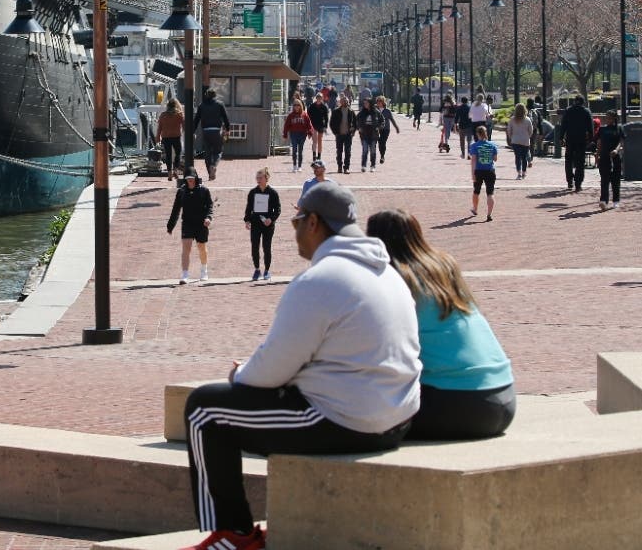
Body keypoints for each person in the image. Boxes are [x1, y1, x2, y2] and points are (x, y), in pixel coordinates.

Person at [181, 183, 420, 550]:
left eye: (295, 222)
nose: (293, 231)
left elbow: (271, 369)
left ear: (313, 223)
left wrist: (239, 374)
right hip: (397, 417)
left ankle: (232, 535)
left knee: (205, 409)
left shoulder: (321, 280)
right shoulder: (388, 274)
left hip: (346, 419)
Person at [366, 209, 515, 440]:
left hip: (455, 402)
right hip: (503, 394)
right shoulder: (443, 267)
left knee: (352, 416)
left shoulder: (396, 279)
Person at [167, 167, 215, 285]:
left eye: (192, 179)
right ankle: (185, 274)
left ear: (196, 178)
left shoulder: (204, 190)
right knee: (186, 248)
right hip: (187, 223)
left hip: (201, 223)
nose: (190, 181)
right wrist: (171, 225)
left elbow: (210, 206)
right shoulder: (182, 191)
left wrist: (208, 218)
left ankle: (204, 271)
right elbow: (176, 209)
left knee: (201, 247)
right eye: (188, 179)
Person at [244, 167, 281, 281]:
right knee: (255, 246)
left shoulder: (273, 193)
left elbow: (278, 209)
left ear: (266, 178)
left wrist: (271, 219)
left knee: (266, 247)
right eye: (257, 178)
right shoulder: (253, 192)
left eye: (260, 178)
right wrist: (247, 220)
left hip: (268, 225)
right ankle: (257, 269)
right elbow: (249, 208)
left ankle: (267, 271)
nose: (258, 180)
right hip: (255, 223)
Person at [195, 88, 231, 181]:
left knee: (207, 153)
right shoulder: (220, 104)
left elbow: (196, 120)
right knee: (218, 151)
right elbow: (226, 118)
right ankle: (214, 166)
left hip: (206, 131)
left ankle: (210, 174)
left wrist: (192, 131)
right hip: (216, 131)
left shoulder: (201, 106)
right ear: (215, 95)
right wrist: (227, 129)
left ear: (206, 95)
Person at [560, 95, 593, 192]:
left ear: (574, 101)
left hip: (570, 138)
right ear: (583, 102)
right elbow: (590, 127)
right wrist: (590, 139)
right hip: (581, 139)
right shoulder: (586, 111)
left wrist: (561, 137)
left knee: (568, 160)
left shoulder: (568, 110)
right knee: (580, 162)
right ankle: (578, 183)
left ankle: (570, 181)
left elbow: (563, 125)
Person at [596, 110, 625, 210]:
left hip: (615, 157)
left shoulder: (619, 128)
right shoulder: (602, 129)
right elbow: (599, 143)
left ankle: (616, 201)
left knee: (615, 180)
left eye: (609, 117)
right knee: (604, 180)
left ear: (614, 118)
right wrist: (597, 155)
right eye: (606, 117)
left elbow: (621, 142)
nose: (607, 119)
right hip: (604, 157)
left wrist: (616, 150)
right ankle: (603, 200)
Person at [468, 125, 498, 221]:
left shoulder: (474, 146)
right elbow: (495, 159)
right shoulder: (493, 145)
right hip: (490, 170)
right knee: (490, 193)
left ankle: (475, 208)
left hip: (479, 171)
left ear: (477, 134)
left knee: (476, 191)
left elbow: (473, 160)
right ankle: (489, 214)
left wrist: (472, 174)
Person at [156, 98, 185, 181]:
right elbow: (184, 127)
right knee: (178, 154)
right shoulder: (179, 114)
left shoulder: (163, 115)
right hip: (176, 136)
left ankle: (169, 174)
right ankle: (175, 170)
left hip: (165, 137)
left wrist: (158, 138)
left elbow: (159, 128)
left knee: (168, 155)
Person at [282, 100, 313, 173]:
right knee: (294, 150)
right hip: (293, 134)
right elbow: (286, 125)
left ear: (300, 106)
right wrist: (285, 134)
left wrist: (310, 133)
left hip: (302, 134)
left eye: (298, 105)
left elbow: (309, 125)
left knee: (300, 150)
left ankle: (299, 166)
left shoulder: (304, 114)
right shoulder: (291, 115)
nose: (296, 107)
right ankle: (294, 165)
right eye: (295, 105)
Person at [330, 94, 357, 174]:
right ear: (340, 102)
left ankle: (346, 168)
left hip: (348, 135)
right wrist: (335, 133)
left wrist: (353, 131)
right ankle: (339, 167)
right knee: (339, 151)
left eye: (346, 101)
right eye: (343, 101)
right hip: (339, 134)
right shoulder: (336, 111)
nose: (345, 102)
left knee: (347, 151)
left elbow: (355, 123)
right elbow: (331, 123)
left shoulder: (351, 112)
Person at [505, 103, 533, 180]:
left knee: (517, 157)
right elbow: (531, 131)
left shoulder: (512, 120)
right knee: (524, 157)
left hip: (515, 140)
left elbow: (509, 130)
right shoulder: (527, 120)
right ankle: (524, 172)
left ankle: (519, 173)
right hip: (525, 141)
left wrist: (511, 137)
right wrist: (527, 137)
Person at [356, 97, 384, 172]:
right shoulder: (362, 112)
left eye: (367, 103)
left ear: (370, 103)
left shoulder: (376, 112)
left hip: (373, 134)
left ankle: (373, 165)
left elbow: (382, 121)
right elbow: (356, 120)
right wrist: (359, 127)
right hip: (364, 134)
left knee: (373, 151)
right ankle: (363, 165)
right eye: (364, 103)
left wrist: (379, 127)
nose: (365, 104)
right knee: (365, 150)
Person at [374, 95, 400, 164]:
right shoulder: (375, 110)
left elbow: (392, 120)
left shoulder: (387, 111)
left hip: (386, 129)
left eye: (380, 102)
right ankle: (381, 154)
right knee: (380, 142)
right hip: (377, 129)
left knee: (382, 142)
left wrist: (396, 127)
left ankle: (382, 156)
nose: (378, 103)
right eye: (377, 102)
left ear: (383, 102)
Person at [306, 92, 330, 162]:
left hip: (321, 125)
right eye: (318, 97)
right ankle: (314, 155)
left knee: (320, 141)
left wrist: (325, 126)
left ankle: (319, 156)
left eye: (320, 97)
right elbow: (308, 116)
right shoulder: (312, 106)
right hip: (313, 125)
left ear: (322, 98)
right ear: (316, 98)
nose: (319, 99)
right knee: (314, 141)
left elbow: (326, 118)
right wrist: (308, 127)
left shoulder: (324, 107)